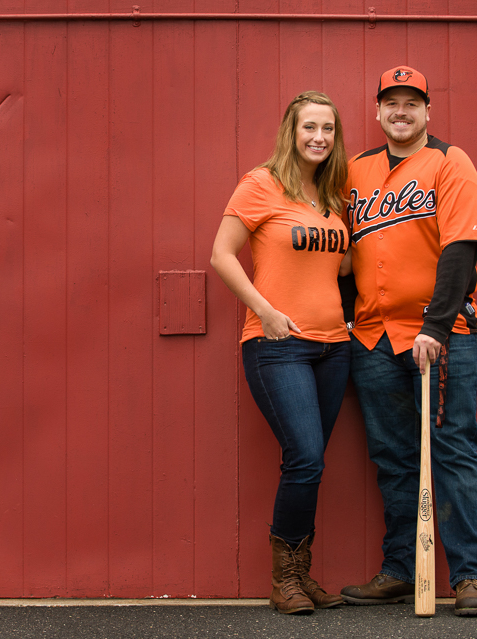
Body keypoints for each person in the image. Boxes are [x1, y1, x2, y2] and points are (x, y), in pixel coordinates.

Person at [339, 66, 477, 616]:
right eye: (391, 102)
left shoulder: (450, 162)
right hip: (373, 336)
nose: (400, 111)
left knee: (451, 451)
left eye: (412, 102)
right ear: (378, 111)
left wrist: (433, 326)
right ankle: (402, 570)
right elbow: (337, 251)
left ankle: (472, 576)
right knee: (394, 457)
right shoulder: (354, 170)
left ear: (428, 111)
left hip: (441, 334)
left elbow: (462, 248)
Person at [211, 91, 352, 615]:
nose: (319, 137)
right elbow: (221, 255)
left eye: (329, 129)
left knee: (308, 464)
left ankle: (301, 572)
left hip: (335, 348)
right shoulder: (261, 184)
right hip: (278, 345)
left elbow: (338, 269)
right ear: (291, 132)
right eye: (310, 127)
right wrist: (264, 310)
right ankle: (285, 580)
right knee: (307, 457)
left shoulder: (334, 198)